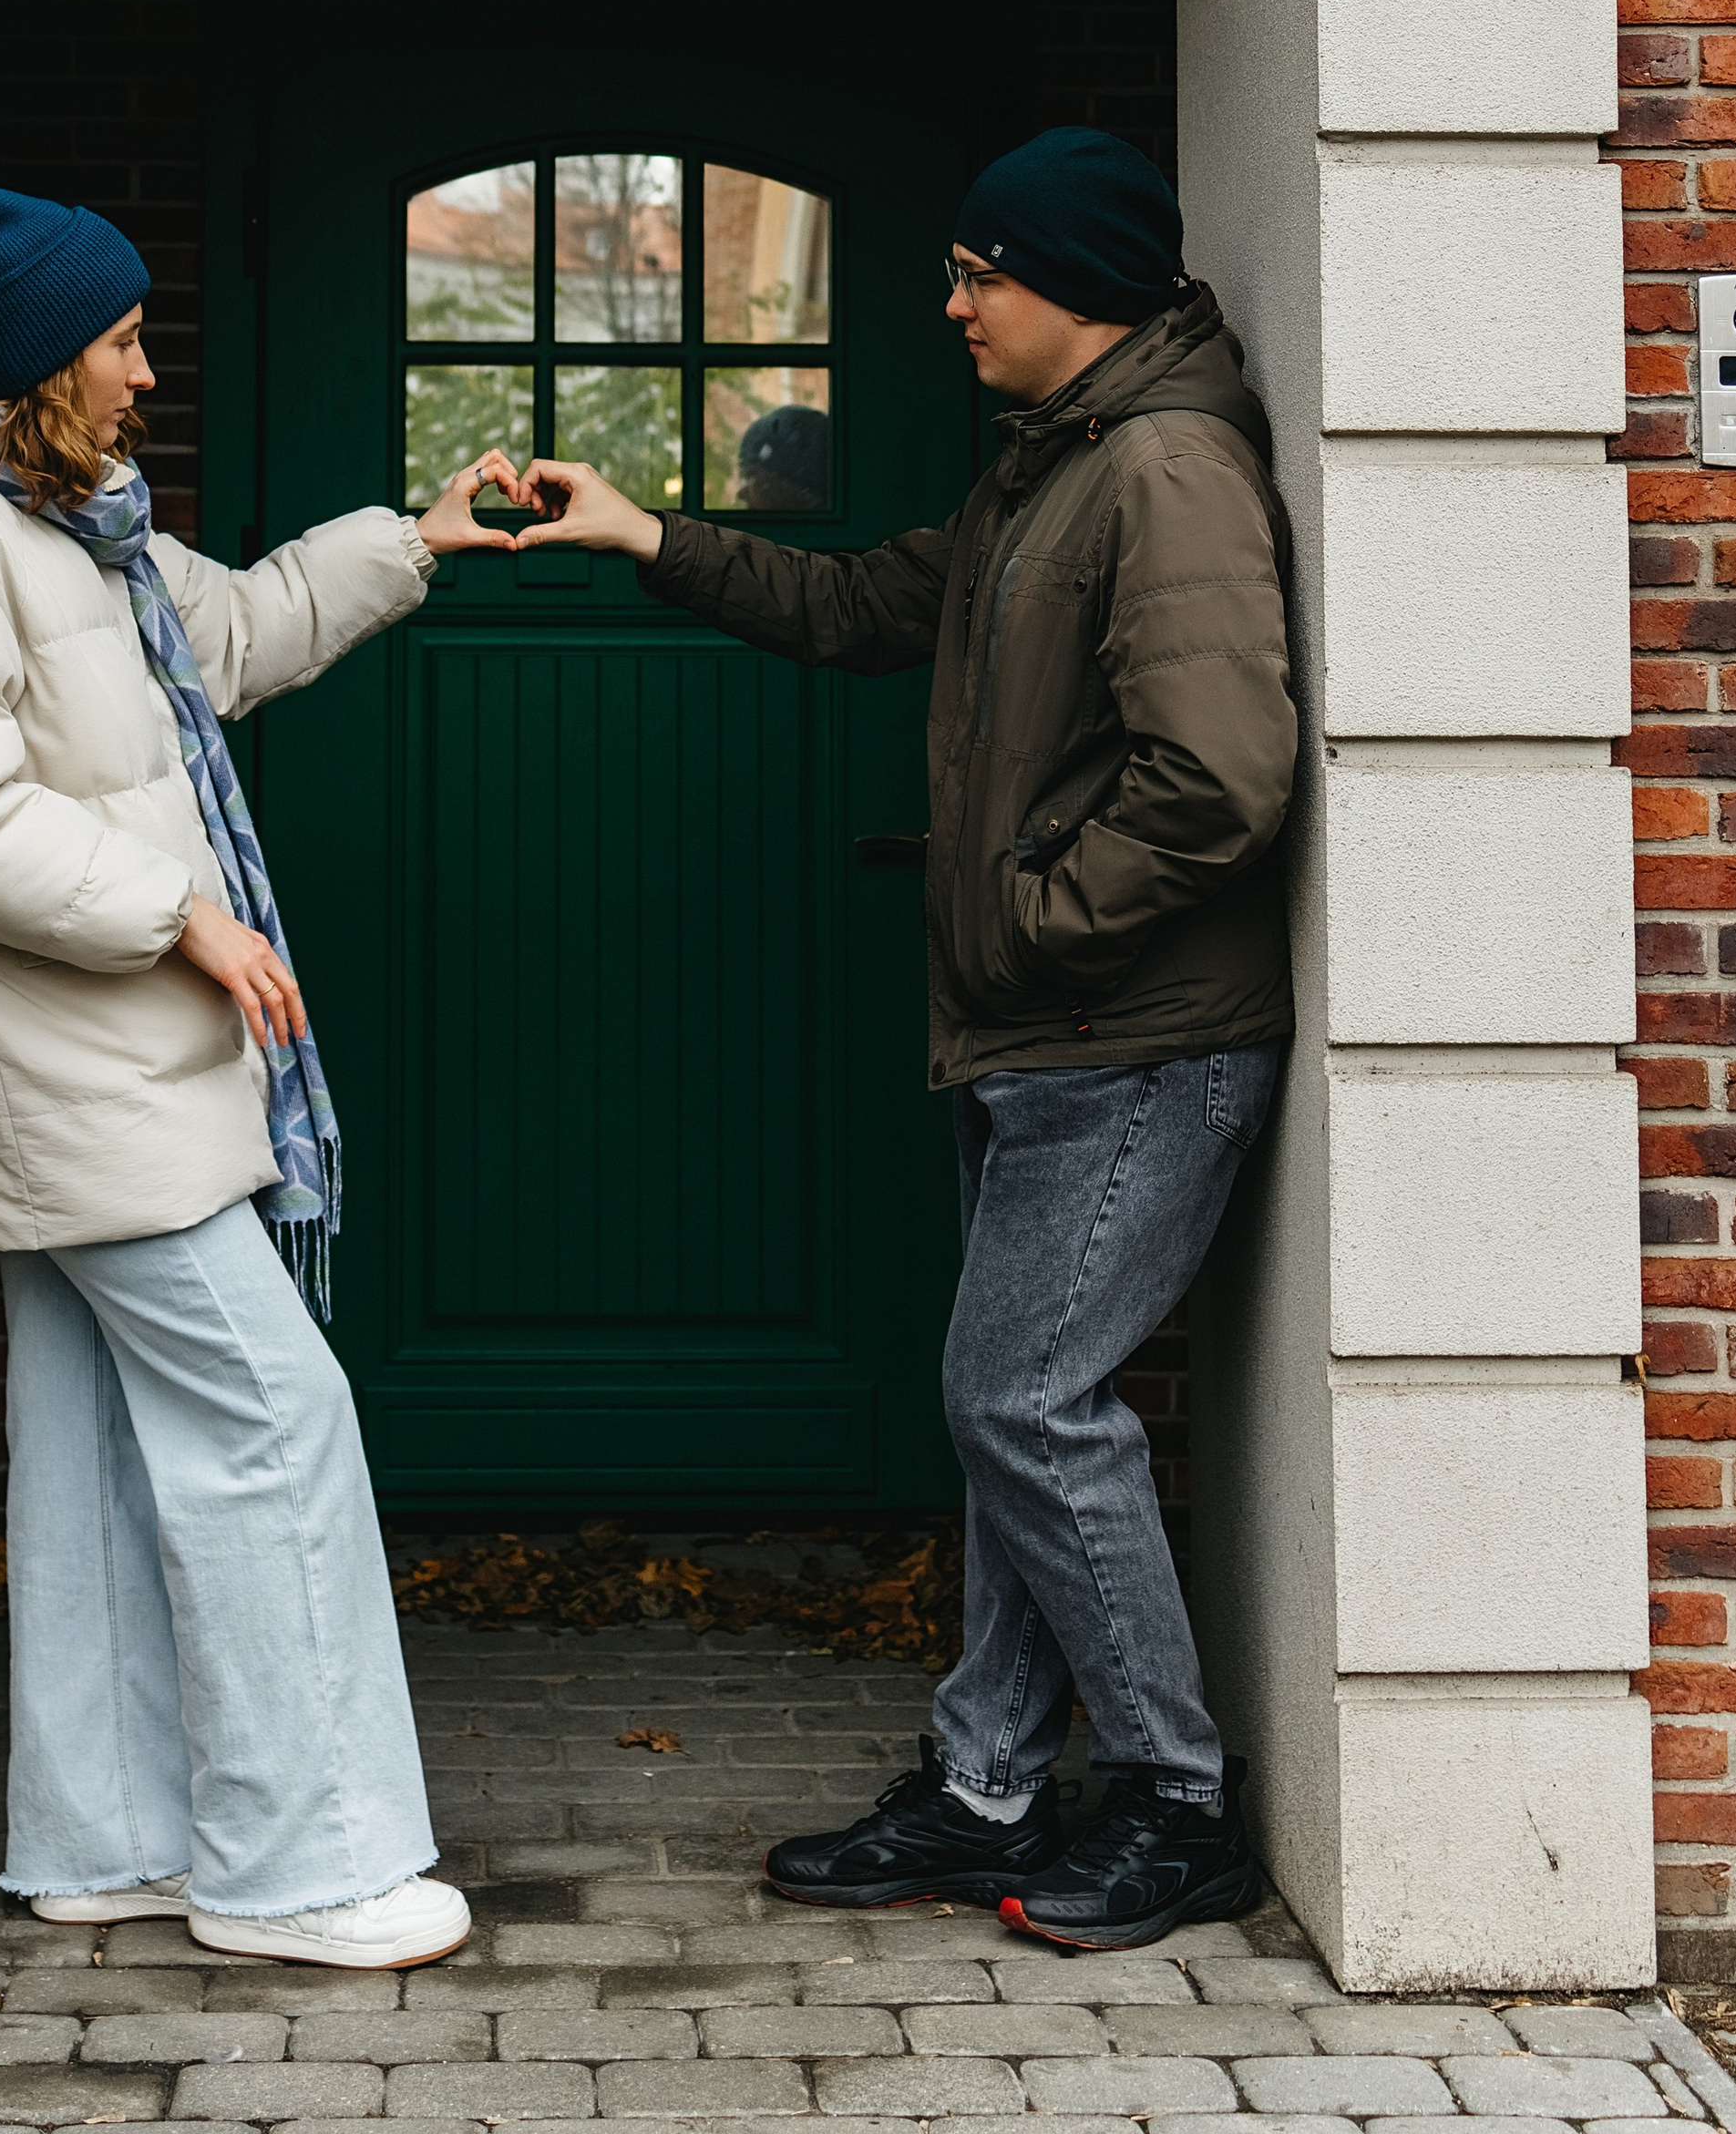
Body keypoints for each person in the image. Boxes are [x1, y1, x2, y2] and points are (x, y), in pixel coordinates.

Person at [515, 125, 1295, 1953]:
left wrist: (1025, 918)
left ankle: (1177, 1802)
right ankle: (987, 1782)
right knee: (1008, 1414)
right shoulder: (1050, 471)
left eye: (976, 270)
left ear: (1072, 283)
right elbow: (866, 600)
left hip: (1127, 1034)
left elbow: (1221, 776)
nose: (948, 301)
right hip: (1045, 1032)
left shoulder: (1165, 469)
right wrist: (645, 531)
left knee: (1018, 1399)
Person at [0, 166, 517, 1970]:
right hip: (80, 1088)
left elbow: (230, 639)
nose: (148, 371)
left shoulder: (85, 534)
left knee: (98, 1450)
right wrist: (178, 914)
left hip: (91, 1088)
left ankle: (104, 1840)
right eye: (126, 338)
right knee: (273, 1426)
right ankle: (303, 1868)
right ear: (44, 356)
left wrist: (423, 534)